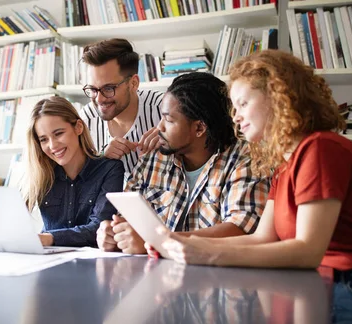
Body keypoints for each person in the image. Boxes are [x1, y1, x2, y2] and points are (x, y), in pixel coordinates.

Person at [152, 49, 352, 271]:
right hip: (324, 282)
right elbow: (262, 239)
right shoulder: (285, 165)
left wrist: (210, 254)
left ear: (278, 98)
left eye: (243, 104)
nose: (236, 117)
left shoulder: (321, 149)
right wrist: (175, 240)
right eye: (234, 108)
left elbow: (308, 251)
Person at [97, 72, 270, 254]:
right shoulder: (152, 160)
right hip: (157, 274)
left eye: (169, 120)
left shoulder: (246, 160)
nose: (159, 128)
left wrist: (159, 242)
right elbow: (126, 221)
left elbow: (240, 229)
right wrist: (112, 234)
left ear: (199, 128)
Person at [25, 96, 124, 248]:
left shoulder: (110, 170)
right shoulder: (42, 174)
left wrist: (49, 238)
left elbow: (98, 228)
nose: (53, 146)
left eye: (58, 133)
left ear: (78, 127)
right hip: (48, 261)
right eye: (44, 139)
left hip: (92, 265)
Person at [79, 38, 163, 179]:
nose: (99, 99)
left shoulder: (163, 109)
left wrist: (172, 143)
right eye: (93, 89)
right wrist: (101, 159)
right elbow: (76, 181)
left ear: (133, 83)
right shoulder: (85, 120)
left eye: (109, 88)